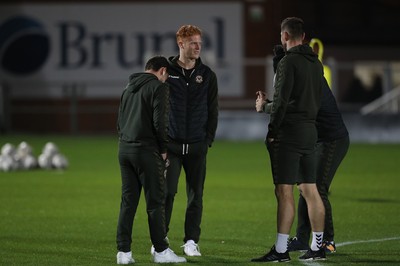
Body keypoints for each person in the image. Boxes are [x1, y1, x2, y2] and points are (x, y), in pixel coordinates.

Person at [258, 44, 350, 254]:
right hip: (315, 140)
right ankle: (301, 238)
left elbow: (293, 107)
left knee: (317, 188)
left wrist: (265, 107)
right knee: (305, 188)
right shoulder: (305, 76)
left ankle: (328, 241)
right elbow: (290, 103)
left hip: (332, 140)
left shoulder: (310, 80)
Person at [251, 17, 326, 262]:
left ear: (284, 36)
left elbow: (282, 103)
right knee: (310, 190)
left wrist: (267, 116)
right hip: (310, 132)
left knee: (284, 192)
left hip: (290, 134)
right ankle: (317, 247)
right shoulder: (315, 63)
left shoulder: (288, 62)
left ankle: (281, 251)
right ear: (303, 37)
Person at [115, 56, 186, 264]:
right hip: (146, 151)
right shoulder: (158, 88)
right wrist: (163, 150)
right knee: (156, 203)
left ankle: (123, 252)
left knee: (128, 202)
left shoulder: (128, 87)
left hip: (124, 149)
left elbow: (119, 120)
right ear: (162, 70)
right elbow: (160, 122)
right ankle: (161, 251)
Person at [164, 24, 219, 257]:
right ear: (181, 44)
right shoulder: (166, 71)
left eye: (200, 43)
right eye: (193, 43)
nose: (198, 47)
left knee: (196, 195)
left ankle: (191, 241)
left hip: (197, 145)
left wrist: (207, 139)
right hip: (172, 146)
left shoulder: (207, 75)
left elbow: (213, 110)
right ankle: (161, 238)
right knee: (167, 192)